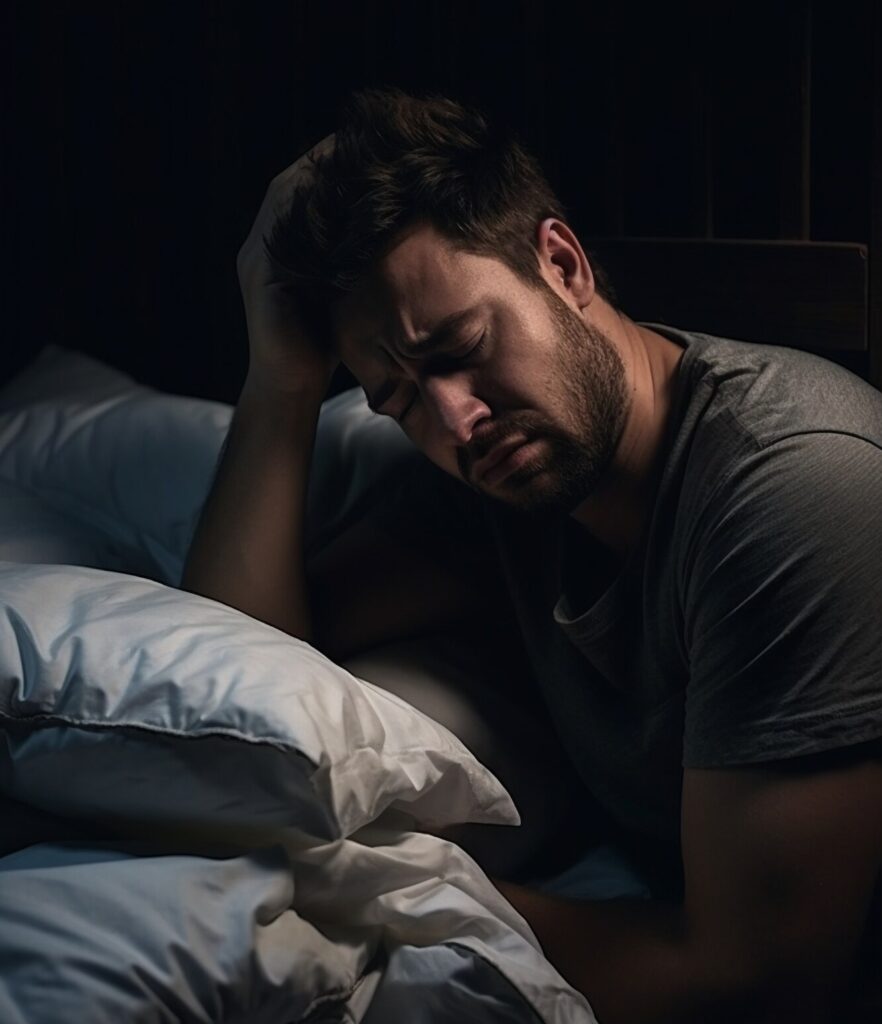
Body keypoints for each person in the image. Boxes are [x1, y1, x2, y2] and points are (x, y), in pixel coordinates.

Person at [181, 85, 882, 1023]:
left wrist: (372, 889)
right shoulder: (502, 472)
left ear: (562, 262)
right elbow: (243, 671)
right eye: (396, 400)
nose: (454, 419)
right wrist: (281, 382)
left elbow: (760, 980)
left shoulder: (793, 491)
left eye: (463, 346)